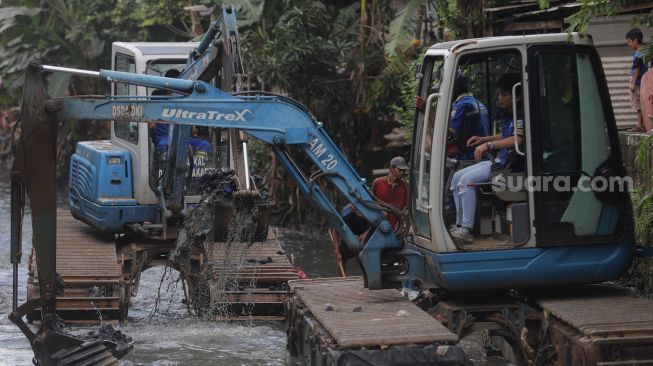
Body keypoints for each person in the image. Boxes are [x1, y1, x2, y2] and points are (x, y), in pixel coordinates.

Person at [449, 74, 524, 244]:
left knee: (467, 180)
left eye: (504, 94)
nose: (500, 97)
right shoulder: (508, 115)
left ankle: (467, 229)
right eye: (500, 94)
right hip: (498, 161)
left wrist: (488, 146)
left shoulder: (521, 115)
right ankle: (459, 224)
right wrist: (484, 139)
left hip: (508, 165)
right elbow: (505, 135)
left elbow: (517, 140)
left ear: (517, 97)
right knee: (456, 178)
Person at [415, 74, 490, 160]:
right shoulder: (479, 103)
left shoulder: (462, 105)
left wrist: (426, 108)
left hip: (470, 158)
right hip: (482, 155)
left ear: (454, 89)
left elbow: (446, 133)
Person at [151, 69, 210, 155]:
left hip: (183, 137)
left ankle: (197, 167)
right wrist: (149, 121)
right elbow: (148, 115)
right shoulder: (158, 99)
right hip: (164, 137)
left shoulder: (185, 100)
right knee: (163, 145)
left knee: (204, 144)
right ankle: (166, 167)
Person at [372, 156, 410, 231]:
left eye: (403, 170)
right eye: (400, 170)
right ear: (391, 169)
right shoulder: (377, 183)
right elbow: (370, 201)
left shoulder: (404, 187)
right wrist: (379, 209)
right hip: (378, 224)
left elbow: (406, 208)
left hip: (395, 228)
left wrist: (401, 222)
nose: (402, 172)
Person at [626, 27, 649, 133]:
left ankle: (639, 125)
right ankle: (643, 125)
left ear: (635, 41)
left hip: (638, 84)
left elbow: (637, 68)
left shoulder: (638, 54)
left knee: (638, 105)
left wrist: (633, 83)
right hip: (643, 83)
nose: (628, 44)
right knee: (643, 104)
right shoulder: (644, 51)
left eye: (629, 42)